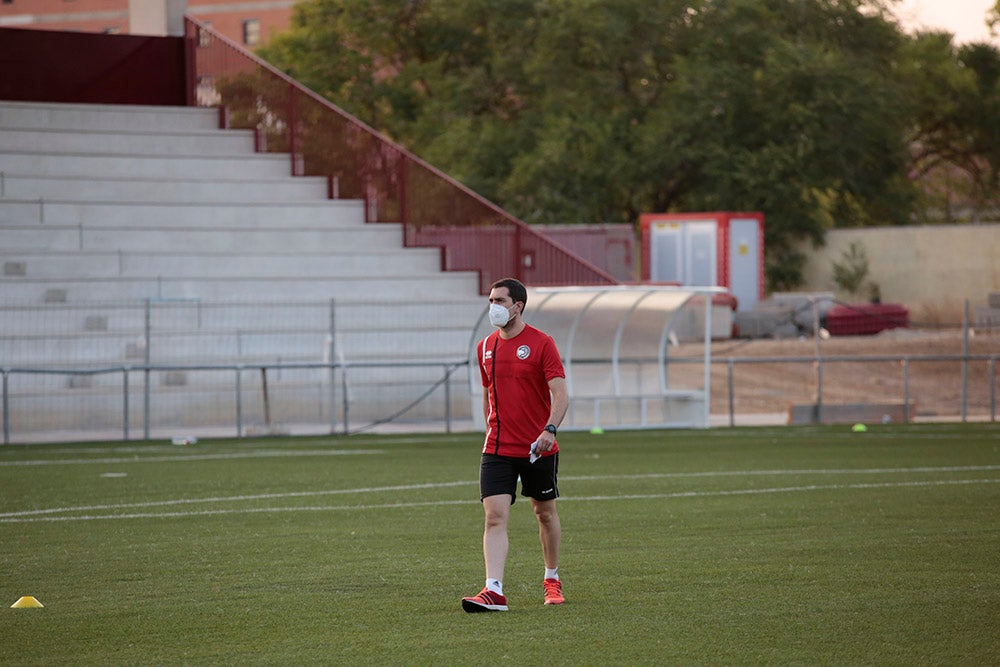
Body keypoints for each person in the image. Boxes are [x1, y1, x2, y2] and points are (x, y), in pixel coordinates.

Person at [461, 277, 569, 612]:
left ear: (517, 306)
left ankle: (551, 579)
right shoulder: (484, 347)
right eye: (490, 300)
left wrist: (549, 429)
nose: (492, 306)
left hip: (537, 448)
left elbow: (561, 394)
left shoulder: (542, 343)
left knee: (545, 513)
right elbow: (487, 394)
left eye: (499, 301)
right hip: (496, 448)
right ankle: (494, 590)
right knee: (494, 518)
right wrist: (490, 429)